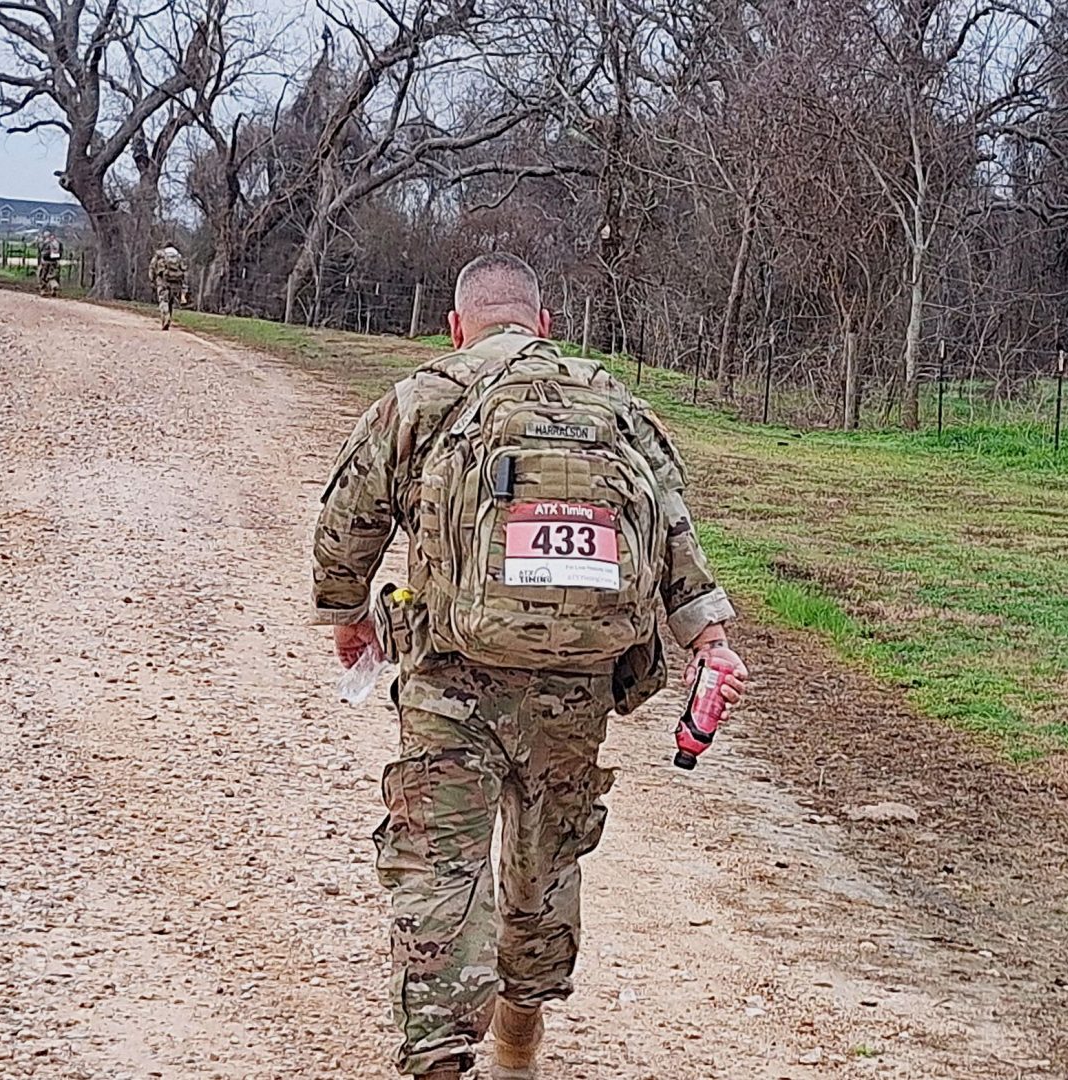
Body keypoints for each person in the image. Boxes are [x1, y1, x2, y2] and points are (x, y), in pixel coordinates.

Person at [311, 253, 749, 1079]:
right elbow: (673, 528)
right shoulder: (612, 401)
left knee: (438, 866)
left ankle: (441, 1058)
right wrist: (708, 638)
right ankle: (519, 1040)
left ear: (457, 326)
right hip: (576, 689)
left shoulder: (425, 396)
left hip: (449, 679)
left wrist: (347, 613)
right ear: (544, 325)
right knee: (545, 863)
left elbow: (348, 518)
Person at [148, 241, 189, 330]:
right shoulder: (178, 256)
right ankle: (168, 321)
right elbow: (184, 270)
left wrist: (152, 279)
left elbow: (152, 266)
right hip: (175, 282)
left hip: (163, 280)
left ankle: (166, 317)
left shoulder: (160, 254)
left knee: (163, 300)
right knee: (170, 301)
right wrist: (183, 286)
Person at [37, 231, 64, 297]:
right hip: (54, 262)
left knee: (42, 276)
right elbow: (61, 252)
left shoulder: (46, 242)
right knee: (52, 276)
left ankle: (43, 290)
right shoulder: (57, 242)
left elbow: (41, 250)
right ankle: (54, 286)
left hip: (45, 262)